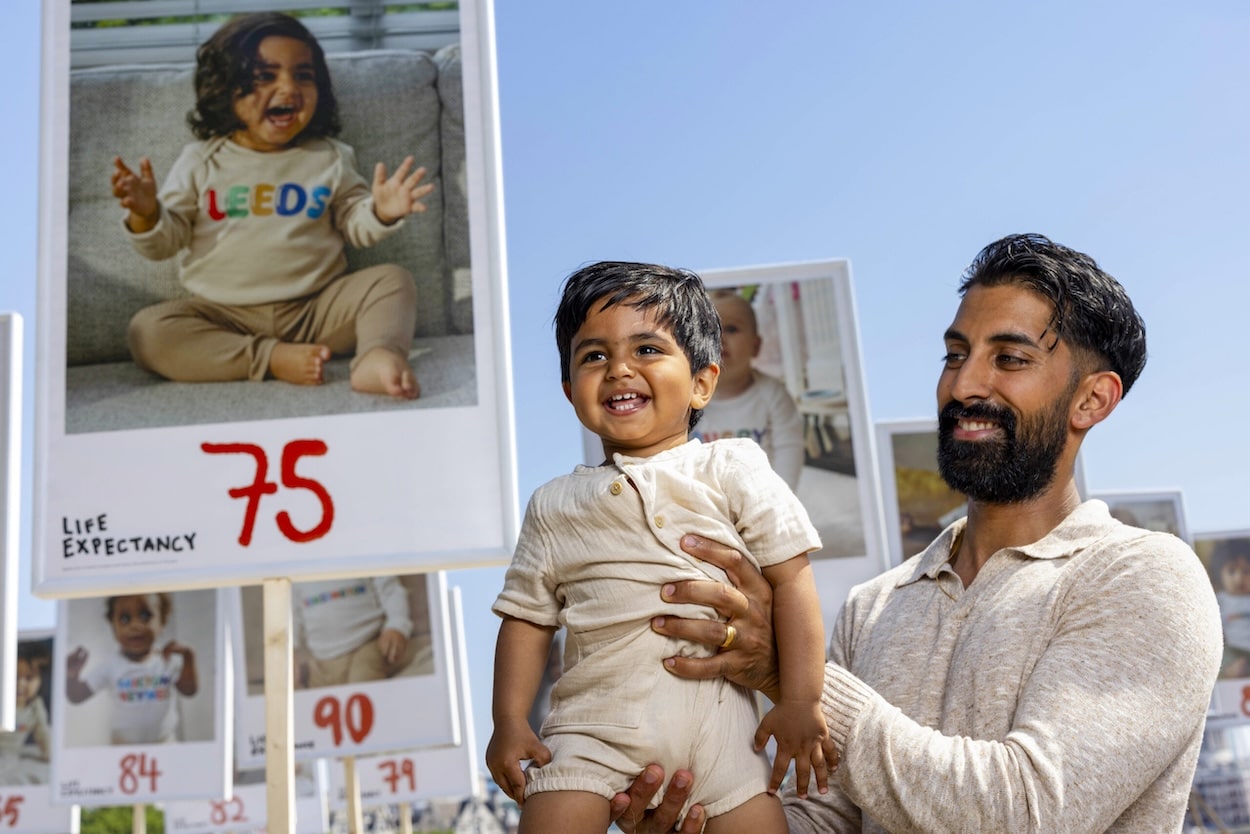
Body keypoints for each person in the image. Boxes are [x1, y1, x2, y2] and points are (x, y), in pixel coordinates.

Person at [610, 233, 1223, 833]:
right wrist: (702, 818)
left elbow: (1027, 812)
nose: (962, 386)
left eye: (1009, 359)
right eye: (955, 355)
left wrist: (794, 673)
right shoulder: (871, 608)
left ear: (1092, 400)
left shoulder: (1146, 577)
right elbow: (826, 818)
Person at [487, 262, 830, 834]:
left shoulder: (732, 465)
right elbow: (526, 619)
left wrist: (801, 700)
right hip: (593, 730)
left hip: (726, 735)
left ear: (702, 382)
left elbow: (793, 579)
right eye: (594, 356)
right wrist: (507, 721)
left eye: (647, 349)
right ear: (571, 392)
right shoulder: (554, 504)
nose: (619, 367)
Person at [113, 12, 434, 398]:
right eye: (265, 76)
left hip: (317, 310)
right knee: (147, 331)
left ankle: (377, 356)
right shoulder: (202, 160)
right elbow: (167, 241)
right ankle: (270, 358)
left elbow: (353, 222)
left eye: (303, 75)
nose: (289, 88)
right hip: (224, 318)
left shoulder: (329, 157)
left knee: (392, 281)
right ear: (223, 90)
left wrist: (381, 211)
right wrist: (147, 214)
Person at [693, 289, 806, 490]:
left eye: (732, 329)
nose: (720, 338)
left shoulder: (773, 394)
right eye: (709, 331)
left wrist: (780, 499)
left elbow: (790, 449)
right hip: (707, 499)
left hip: (761, 496)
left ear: (756, 345)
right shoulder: (686, 398)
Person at [65, 593, 198, 745]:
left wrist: (188, 657)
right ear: (113, 626)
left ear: (162, 621)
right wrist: (71, 675)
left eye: (145, 616)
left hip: (164, 741)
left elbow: (189, 690)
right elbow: (76, 696)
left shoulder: (167, 660)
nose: (135, 625)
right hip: (123, 744)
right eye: (125, 619)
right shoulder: (110, 665)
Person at [292, 575, 421, 688]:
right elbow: (290, 614)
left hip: (365, 644)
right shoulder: (298, 569)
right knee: (307, 699)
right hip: (321, 660)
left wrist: (397, 624)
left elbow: (391, 589)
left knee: (363, 686)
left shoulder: (360, 552)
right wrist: (290, 652)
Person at [1207, 538, 1250, 679]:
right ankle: (1234, 668)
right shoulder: (1220, 600)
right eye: (1231, 572)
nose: (1239, 578)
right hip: (1233, 647)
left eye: (1246, 572)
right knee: (1219, 654)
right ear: (1220, 575)